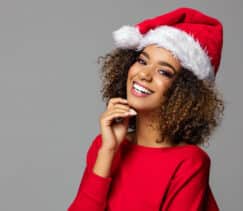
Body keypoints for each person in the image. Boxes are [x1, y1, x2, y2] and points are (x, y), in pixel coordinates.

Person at [67, 7, 224, 211]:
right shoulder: (105, 146)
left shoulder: (190, 162)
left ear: (184, 90)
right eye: (142, 61)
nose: (144, 75)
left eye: (164, 72)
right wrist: (108, 151)